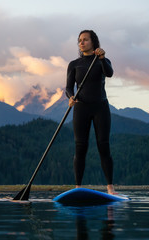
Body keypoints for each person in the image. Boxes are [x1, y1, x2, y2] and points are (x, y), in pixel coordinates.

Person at [66, 30, 117, 194]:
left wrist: (101, 58)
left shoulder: (102, 60)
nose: (81, 43)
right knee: (80, 147)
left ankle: (110, 188)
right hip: (81, 108)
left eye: (85, 40)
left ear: (93, 42)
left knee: (103, 146)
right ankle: (77, 188)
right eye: (79, 40)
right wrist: (71, 97)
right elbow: (68, 87)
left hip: (100, 107)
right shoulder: (74, 64)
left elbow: (109, 73)